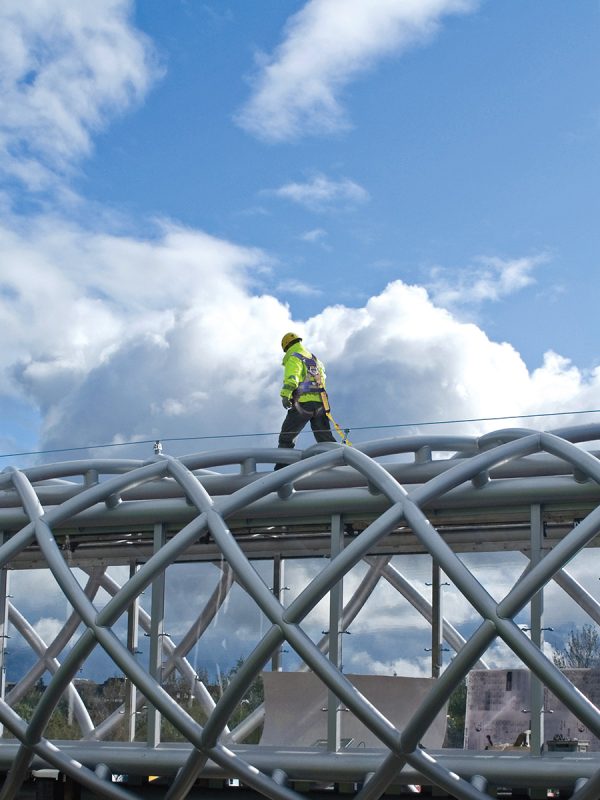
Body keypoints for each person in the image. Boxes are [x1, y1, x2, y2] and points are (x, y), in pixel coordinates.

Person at [275, 332, 336, 469]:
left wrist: (286, 395)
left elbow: (292, 377)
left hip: (302, 405)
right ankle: (337, 463)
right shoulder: (314, 359)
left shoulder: (294, 357)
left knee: (287, 437)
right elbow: (322, 379)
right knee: (325, 439)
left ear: (286, 347)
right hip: (320, 405)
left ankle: (282, 468)